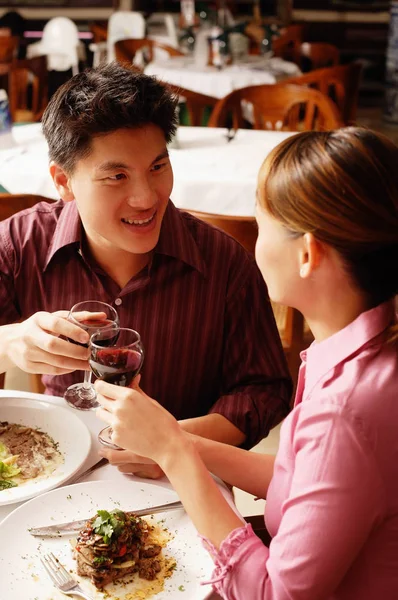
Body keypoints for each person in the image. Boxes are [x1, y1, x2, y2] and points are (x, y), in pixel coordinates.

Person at [96, 127, 398, 599]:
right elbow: (307, 480)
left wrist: (176, 455)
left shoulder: (347, 410)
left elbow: (273, 593)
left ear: (307, 253)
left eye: (262, 226)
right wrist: (174, 442)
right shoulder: (367, 353)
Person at [0, 62, 291, 477]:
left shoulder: (224, 262)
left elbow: (264, 390)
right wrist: (10, 342)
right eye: (117, 176)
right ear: (63, 181)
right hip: (55, 467)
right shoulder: (21, 242)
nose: (145, 198)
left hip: (182, 486)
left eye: (157, 167)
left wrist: (176, 446)